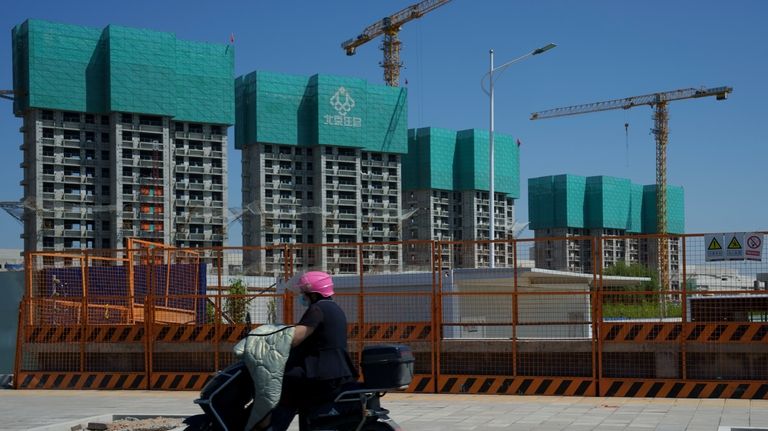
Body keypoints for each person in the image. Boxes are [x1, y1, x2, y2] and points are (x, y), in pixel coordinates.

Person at [267, 271, 357, 431]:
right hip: (336, 373)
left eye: (304, 293)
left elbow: (295, 338)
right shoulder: (335, 309)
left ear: (314, 294)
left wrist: (272, 342)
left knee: (286, 387)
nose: (302, 296)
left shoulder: (317, 309)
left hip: (321, 375)